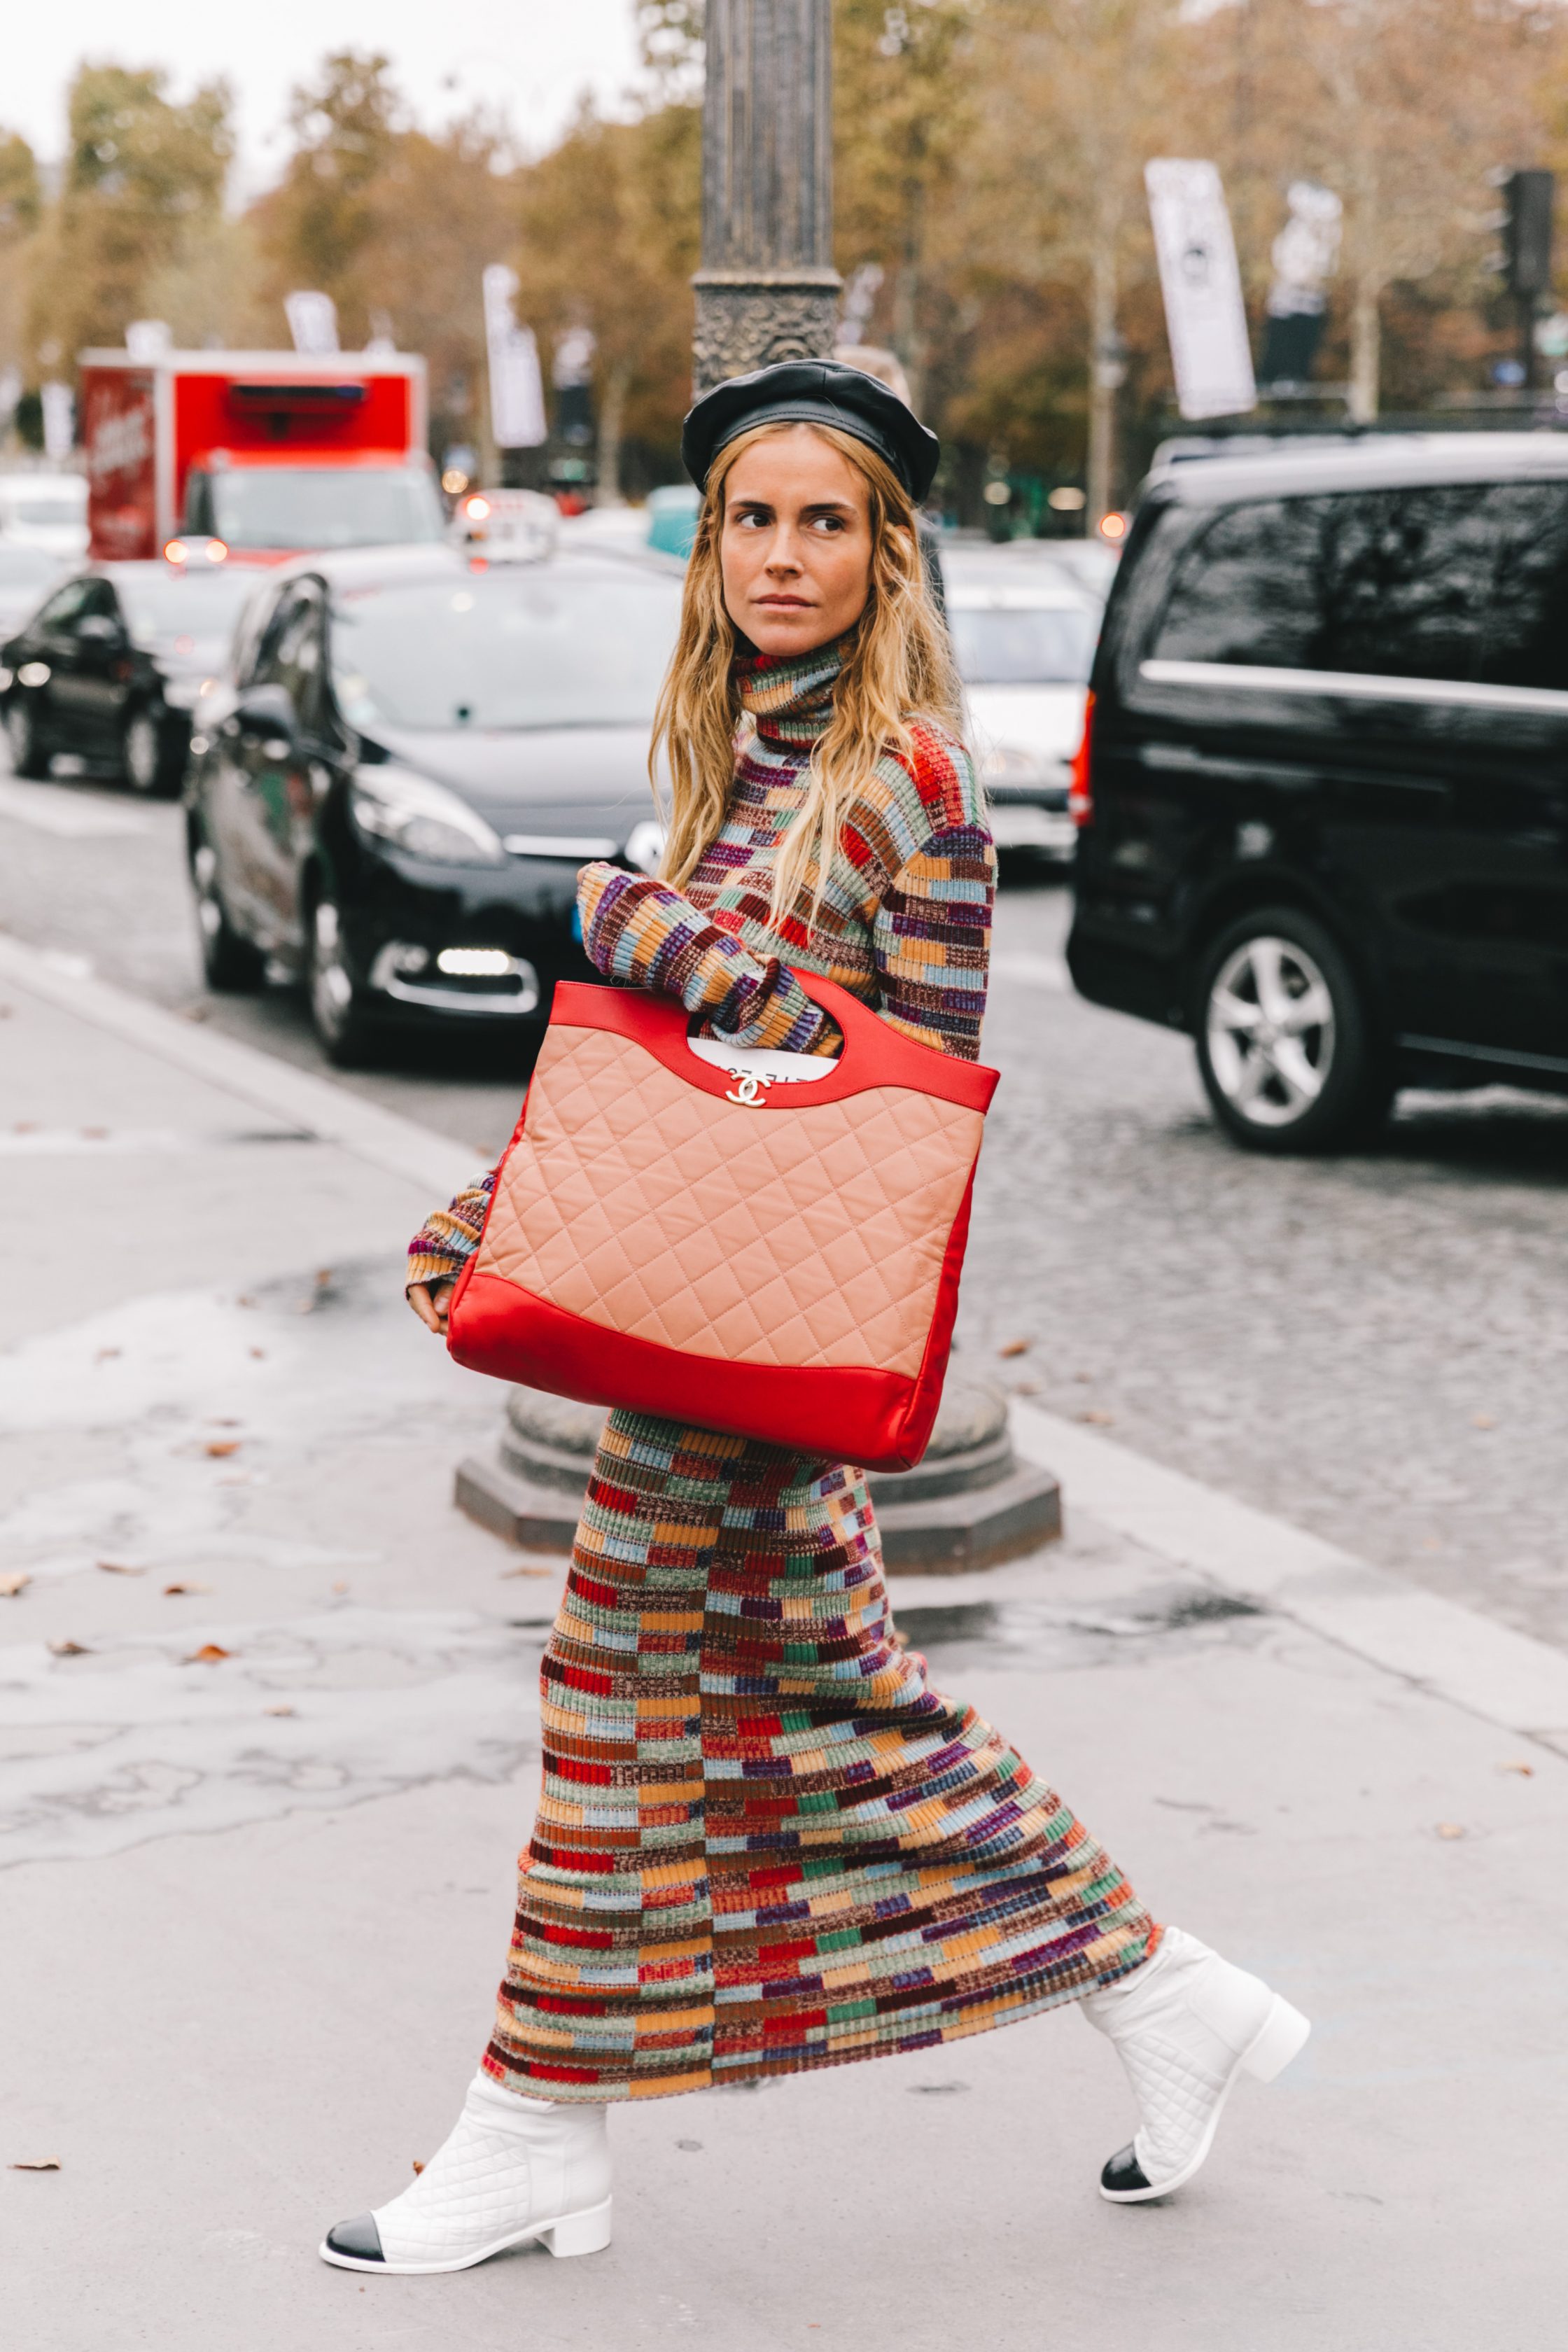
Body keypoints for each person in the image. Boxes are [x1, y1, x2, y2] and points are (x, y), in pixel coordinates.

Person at [319, 359, 1309, 2278]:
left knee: (622, 1706)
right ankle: (1155, 1986)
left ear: (886, 549)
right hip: (706, 1315)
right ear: (711, 546)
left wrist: (638, 919)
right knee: (833, 1715)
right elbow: (672, 1079)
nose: (784, 555)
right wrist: (508, 1201)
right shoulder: (735, 746)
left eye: (824, 522)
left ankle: (533, 2129)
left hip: (763, 1339)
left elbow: (898, 1078)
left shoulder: (913, 775)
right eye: (753, 519)